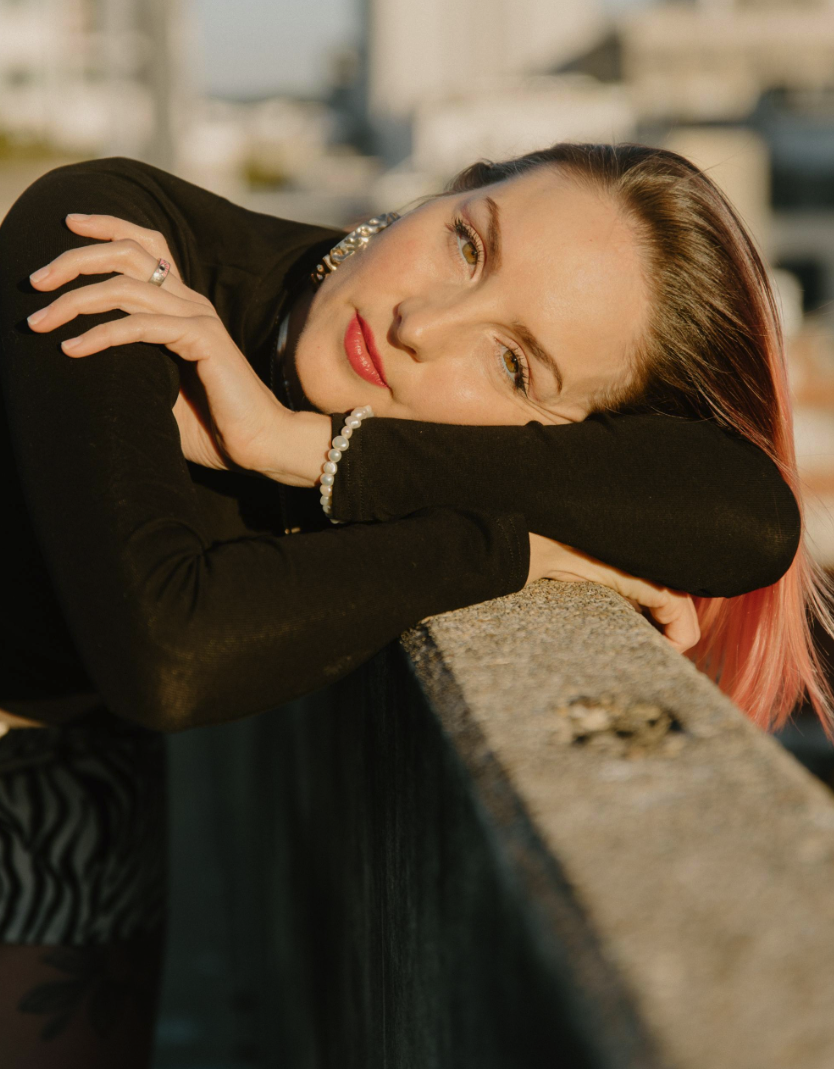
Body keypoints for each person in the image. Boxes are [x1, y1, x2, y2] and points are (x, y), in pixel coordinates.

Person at [0, 144, 821, 1067]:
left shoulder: (394, 417)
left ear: (567, 441)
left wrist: (306, 448)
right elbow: (170, 653)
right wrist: (512, 550)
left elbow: (751, 520)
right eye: (468, 245)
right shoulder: (115, 243)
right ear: (446, 192)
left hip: (68, 764)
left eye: (514, 365)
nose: (422, 325)